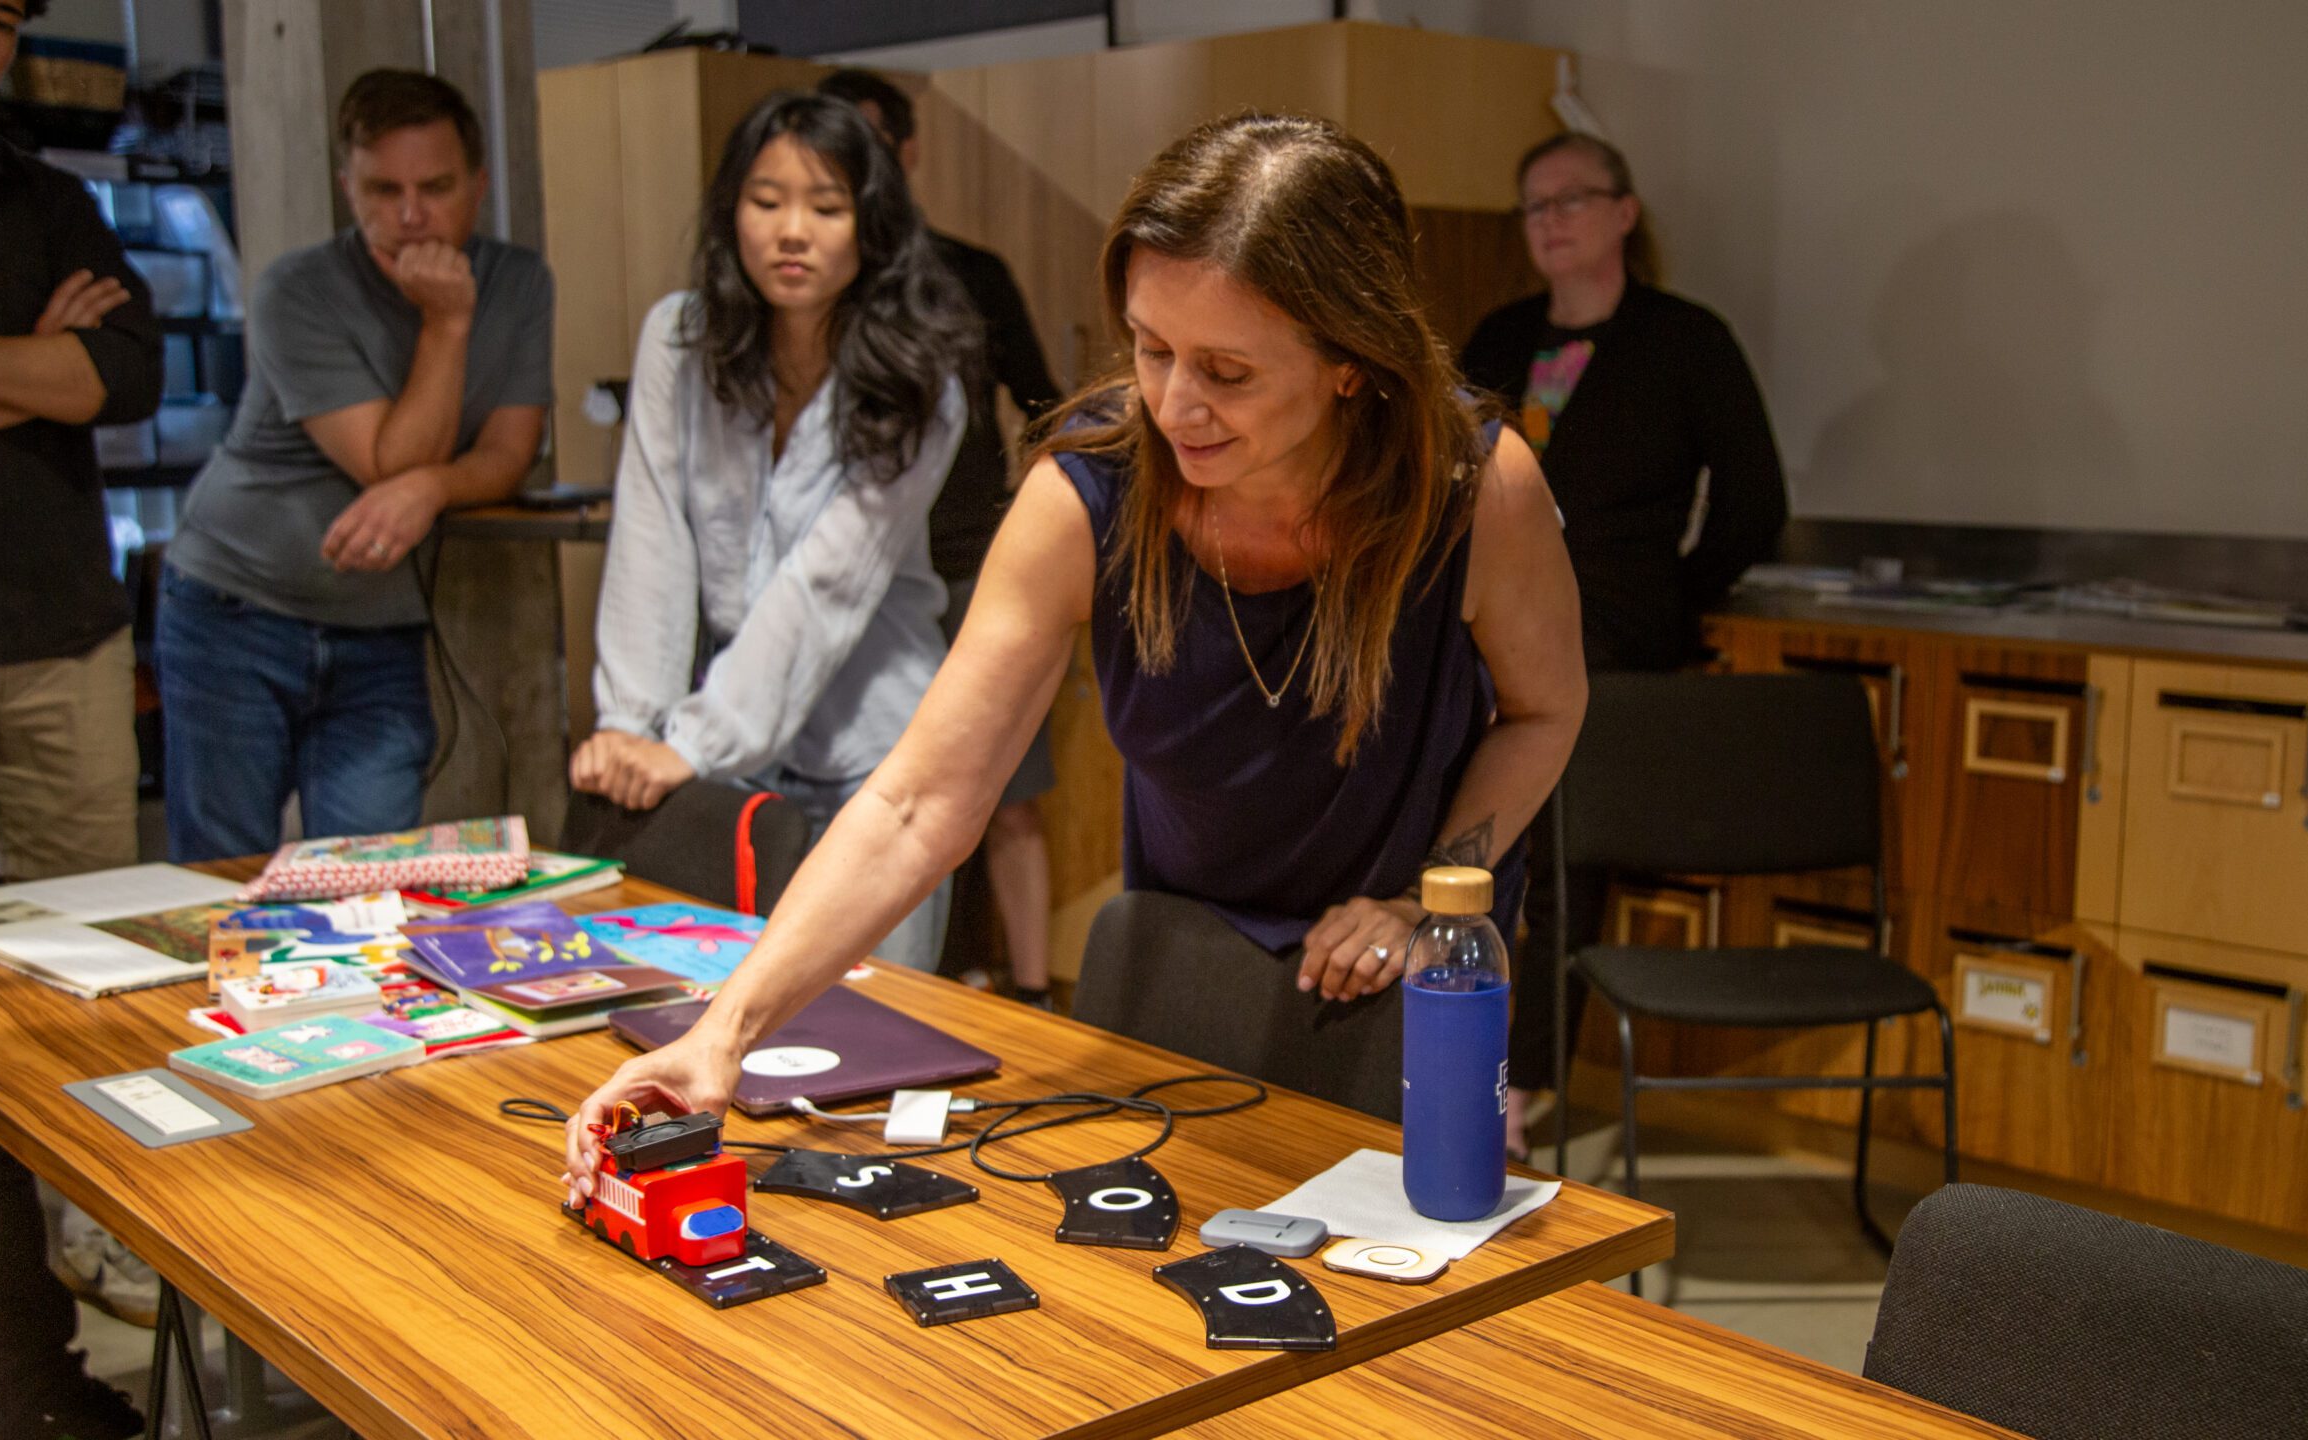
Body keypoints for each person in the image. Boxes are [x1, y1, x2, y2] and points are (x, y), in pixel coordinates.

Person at [562, 111, 1586, 1190]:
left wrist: (1434, 895)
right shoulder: (1088, 492)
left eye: (1226, 372)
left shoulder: (1474, 489)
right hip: (1180, 935)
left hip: (1414, 955)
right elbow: (919, 804)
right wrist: (725, 1035)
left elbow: (1543, 712)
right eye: (1150, 349)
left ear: (1347, 361)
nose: (1174, 404)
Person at [570, 92, 974, 972]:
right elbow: (653, 536)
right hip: (728, 754)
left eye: (826, 208)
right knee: (708, 1014)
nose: (793, 231)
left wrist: (685, 744)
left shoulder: (920, 381)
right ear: (731, 212)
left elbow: (823, 589)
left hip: (878, 760)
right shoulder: (679, 340)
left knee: (874, 1027)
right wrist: (632, 724)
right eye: (766, 202)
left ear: (869, 223)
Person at [1460, 131, 1788, 1158]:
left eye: (1571, 199)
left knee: (1562, 876)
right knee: (1470, 863)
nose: (1549, 220)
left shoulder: (1686, 341)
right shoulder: (1499, 339)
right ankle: (1442, 1062)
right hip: (1480, 636)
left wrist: (1671, 603)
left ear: (1624, 214)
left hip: (1612, 645)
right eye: (1532, 205)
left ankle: (1517, 1088)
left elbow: (1752, 504)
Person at [155, 69, 552, 861]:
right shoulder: (298, 289)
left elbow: (508, 454)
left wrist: (435, 486)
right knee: (220, 869)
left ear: (478, 186)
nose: (409, 215)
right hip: (237, 606)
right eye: (382, 189)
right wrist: (447, 322)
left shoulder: (518, 281)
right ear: (347, 187)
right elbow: (387, 461)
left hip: (380, 627)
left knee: (368, 876)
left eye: (435, 187)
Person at [0, 2, 160, 1432]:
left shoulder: (49, 200)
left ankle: (108, 1225)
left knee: (84, 968)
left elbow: (125, 378)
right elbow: (56, 382)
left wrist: (64, 370)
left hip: (58, 630)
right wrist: (17, 366)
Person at [816, 68, 1064, 1007]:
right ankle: (888, 992)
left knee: (1010, 797)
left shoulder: (972, 273)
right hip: (857, 579)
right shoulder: (822, 285)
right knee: (878, 797)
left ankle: (1034, 988)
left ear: (908, 149)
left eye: (878, 136)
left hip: (971, 568)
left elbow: (1046, 409)